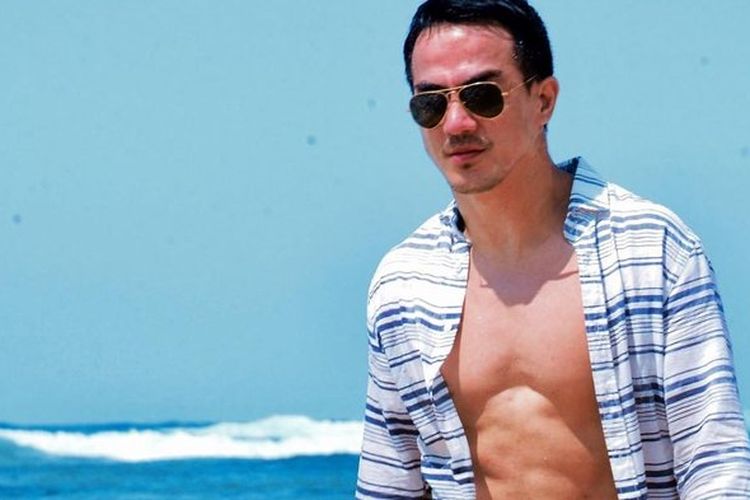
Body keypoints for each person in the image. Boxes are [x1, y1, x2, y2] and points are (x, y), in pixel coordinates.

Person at [356, 0, 750, 498]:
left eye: (482, 96)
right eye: (431, 103)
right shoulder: (403, 283)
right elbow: (389, 483)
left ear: (543, 99)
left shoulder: (651, 251)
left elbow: (715, 465)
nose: (455, 123)